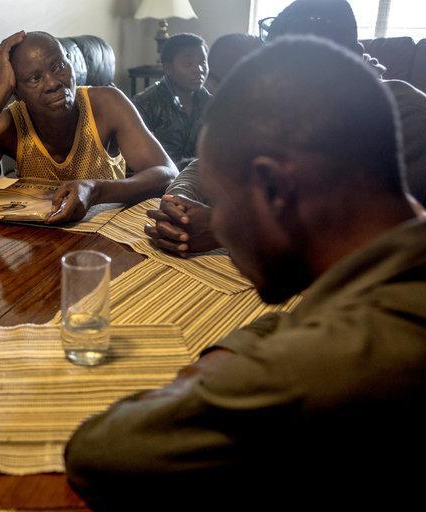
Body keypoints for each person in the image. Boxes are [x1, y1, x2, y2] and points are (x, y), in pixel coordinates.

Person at [65, 36, 426, 508]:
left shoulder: (320, 364)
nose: (217, 225)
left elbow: (99, 452)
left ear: (273, 189)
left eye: (220, 202)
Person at [147, 0, 426, 256]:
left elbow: (369, 235)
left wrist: (226, 230)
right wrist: (179, 203)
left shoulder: (405, 116)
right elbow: (209, 164)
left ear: (354, 56)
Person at [0, 31, 176, 224]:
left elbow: (167, 174)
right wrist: (0, 91)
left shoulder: (105, 103)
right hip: (41, 241)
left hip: (107, 236)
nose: (53, 83)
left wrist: (95, 190)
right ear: (16, 92)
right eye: (35, 78)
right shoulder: (12, 122)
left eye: (59, 66)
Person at [132, 33, 212, 170]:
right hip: (158, 180)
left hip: (196, 178)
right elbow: (135, 158)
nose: (199, 70)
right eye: (188, 64)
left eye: (203, 62)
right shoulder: (145, 103)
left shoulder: (210, 102)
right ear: (168, 68)